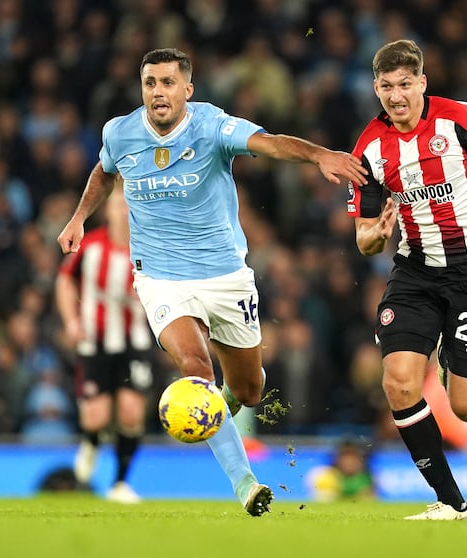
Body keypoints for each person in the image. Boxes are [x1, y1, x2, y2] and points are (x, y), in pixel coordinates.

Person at [57, 47, 367, 516]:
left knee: (248, 392)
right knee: (196, 370)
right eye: (150, 83)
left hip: (225, 276)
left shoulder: (211, 125)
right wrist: (79, 218)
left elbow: (271, 143)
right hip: (160, 277)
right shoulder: (119, 132)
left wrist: (318, 154)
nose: (157, 93)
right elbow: (104, 172)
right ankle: (245, 484)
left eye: (167, 83)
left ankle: (219, 405)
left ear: (188, 88)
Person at [348, 39, 467, 520]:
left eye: (405, 84)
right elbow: (364, 239)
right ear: (376, 88)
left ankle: (453, 358)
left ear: (422, 83)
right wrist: (376, 234)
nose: (396, 96)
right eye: (387, 87)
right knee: (398, 382)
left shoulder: (464, 121)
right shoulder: (369, 147)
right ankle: (451, 502)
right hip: (414, 270)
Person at [55, 185, 154, 504]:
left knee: (130, 412)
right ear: (108, 211)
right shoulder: (91, 246)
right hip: (95, 341)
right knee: (96, 417)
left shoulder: (150, 249)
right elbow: (64, 280)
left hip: (133, 342)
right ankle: (90, 442)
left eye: (128, 206)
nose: (123, 211)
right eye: (117, 206)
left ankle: (120, 483)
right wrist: (71, 321)